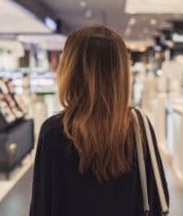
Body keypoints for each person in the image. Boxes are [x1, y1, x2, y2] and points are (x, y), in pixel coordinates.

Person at [30, 26, 169, 216]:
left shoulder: (54, 131)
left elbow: (41, 207)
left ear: (70, 71)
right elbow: (157, 200)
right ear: (120, 73)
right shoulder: (138, 126)